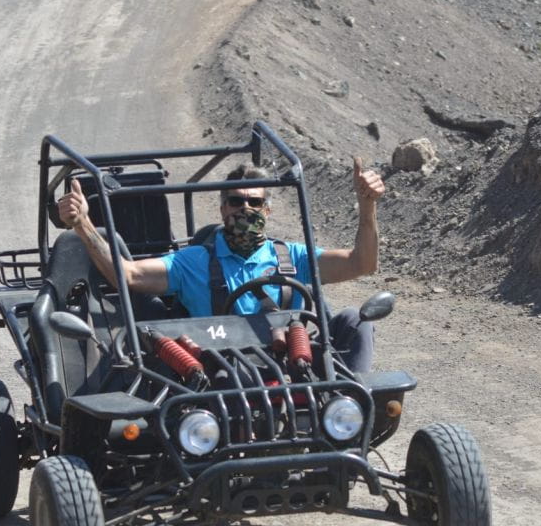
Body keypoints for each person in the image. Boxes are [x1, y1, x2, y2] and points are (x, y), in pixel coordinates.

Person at [57, 157, 385, 372]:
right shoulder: (194, 261)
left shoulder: (293, 256)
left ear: (267, 210)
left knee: (356, 319)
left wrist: (367, 206)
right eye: (235, 201)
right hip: (221, 375)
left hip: (294, 363)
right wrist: (83, 225)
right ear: (222, 209)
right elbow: (127, 277)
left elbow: (362, 263)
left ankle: (352, 411)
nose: (245, 209)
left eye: (254, 202)